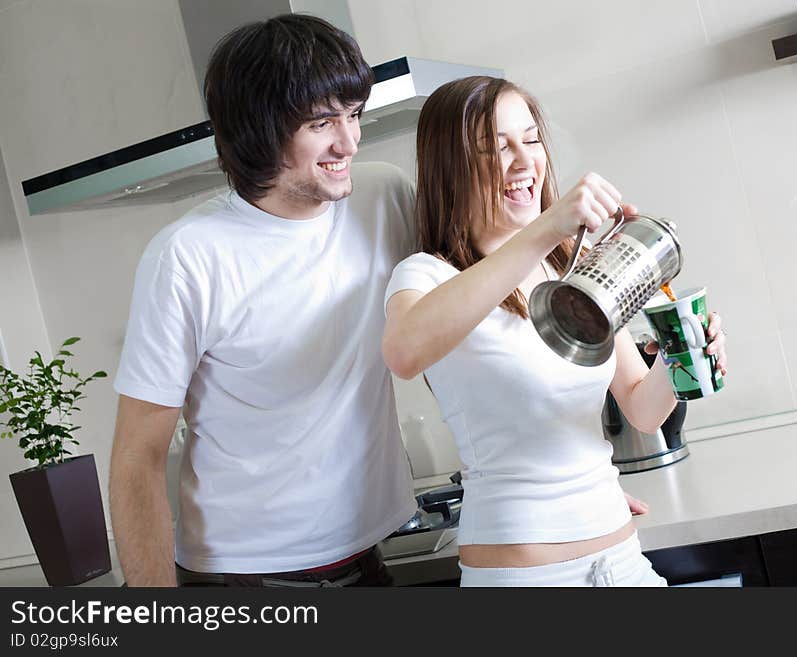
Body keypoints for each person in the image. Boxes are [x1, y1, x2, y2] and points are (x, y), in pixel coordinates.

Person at [108, 14, 419, 587]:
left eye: (353, 114)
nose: (349, 140)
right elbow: (137, 458)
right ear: (260, 130)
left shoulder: (385, 197)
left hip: (368, 564)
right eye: (323, 121)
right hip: (246, 582)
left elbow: (476, 306)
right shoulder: (188, 256)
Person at [382, 76, 728, 587]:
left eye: (531, 138)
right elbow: (404, 353)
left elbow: (642, 407)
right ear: (450, 169)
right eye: (495, 147)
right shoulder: (429, 274)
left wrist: (680, 355)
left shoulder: (573, 264)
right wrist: (547, 227)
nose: (524, 161)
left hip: (624, 562)